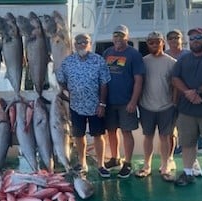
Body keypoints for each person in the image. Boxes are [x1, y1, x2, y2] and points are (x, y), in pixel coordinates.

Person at [56, 34, 111, 178]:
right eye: (78, 42)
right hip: (76, 106)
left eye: (85, 42)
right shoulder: (68, 62)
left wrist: (102, 104)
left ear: (90, 44)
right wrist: (66, 91)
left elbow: (104, 84)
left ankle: (101, 165)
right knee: (78, 136)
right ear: (74, 45)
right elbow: (60, 79)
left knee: (98, 135)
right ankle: (82, 163)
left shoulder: (98, 60)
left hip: (95, 106)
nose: (81, 44)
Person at [102, 24, 145, 178]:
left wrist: (133, 101)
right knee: (111, 131)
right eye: (115, 35)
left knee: (126, 131)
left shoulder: (134, 54)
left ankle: (127, 162)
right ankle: (115, 159)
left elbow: (138, 80)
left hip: (126, 101)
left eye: (121, 35)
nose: (118, 38)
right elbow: (102, 77)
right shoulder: (107, 52)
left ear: (126, 36)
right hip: (109, 102)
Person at [135, 31, 177, 181]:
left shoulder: (171, 62)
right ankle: (147, 166)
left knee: (165, 137)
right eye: (151, 42)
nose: (154, 45)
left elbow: (175, 85)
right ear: (147, 44)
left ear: (162, 42)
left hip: (166, 106)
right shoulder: (143, 61)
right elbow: (138, 82)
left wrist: (174, 102)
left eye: (157, 42)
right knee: (148, 136)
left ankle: (165, 166)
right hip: (146, 106)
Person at [165, 29, 202, 177]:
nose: (174, 40)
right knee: (178, 136)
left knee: (194, 138)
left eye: (177, 37)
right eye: (171, 38)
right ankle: (177, 164)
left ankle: (194, 164)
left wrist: (195, 92)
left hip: (196, 105)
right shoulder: (172, 57)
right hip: (175, 103)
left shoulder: (187, 54)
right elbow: (174, 78)